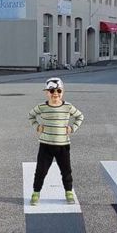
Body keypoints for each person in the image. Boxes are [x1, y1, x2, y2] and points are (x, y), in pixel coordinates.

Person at [28, 77, 84, 205]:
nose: (55, 94)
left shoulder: (67, 107)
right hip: (45, 145)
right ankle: (36, 193)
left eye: (58, 90)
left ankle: (68, 192)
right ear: (46, 92)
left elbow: (80, 116)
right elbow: (31, 115)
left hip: (63, 145)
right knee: (41, 170)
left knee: (66, 170)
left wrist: (72, 128)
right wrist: (37, 126)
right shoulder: (42, 107)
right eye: (52, 91)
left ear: (62, 91)